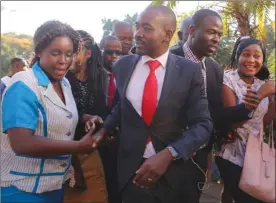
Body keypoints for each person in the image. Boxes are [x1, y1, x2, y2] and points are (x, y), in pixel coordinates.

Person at [88, 5, 213, 203]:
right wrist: (105, 128)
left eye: (147, 28)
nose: (137, 34)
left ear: (167, 34)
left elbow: (203, 125)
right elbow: (122, 106)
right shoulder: (123, 66)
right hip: (129, 172)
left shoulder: (189, 72)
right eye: (137, 27)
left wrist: (170, 154)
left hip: (171, 173)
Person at [0, 20, 102, 203]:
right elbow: (21, 143)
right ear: (39, 51)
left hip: (54, 185)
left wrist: (86, 118)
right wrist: (78, 147)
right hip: (21, 188)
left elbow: (61, 113)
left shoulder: (63, 83)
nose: (63, 61)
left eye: (69, 54)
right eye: (56, 53)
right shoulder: (23, 85)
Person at [170, 9, 262, 201]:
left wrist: (244, 110)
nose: (216, 39)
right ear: (192, 30)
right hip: (168, 153)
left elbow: (215, 113)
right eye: (211, 32)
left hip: (200, 156)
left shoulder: (213, 69)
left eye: (219, 34)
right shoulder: (169, 60)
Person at [216, 37, 275, 203]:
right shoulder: (227, 80)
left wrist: (274, 101)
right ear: (237, 57)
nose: (251, 60)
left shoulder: (262, 83)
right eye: (246, 54)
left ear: (262, 60)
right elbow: (232, 123)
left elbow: (266, 122)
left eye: (257, 56)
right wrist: (261, 94)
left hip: (256, 155)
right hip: (232, 153)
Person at [64, 30, 108, 203]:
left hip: (92, 152)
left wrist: (98, 125)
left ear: (89, 53)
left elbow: (108, 114)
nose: (70, 57)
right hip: (64, 152)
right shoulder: (61, 77)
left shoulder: (102, 79)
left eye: (76, 51)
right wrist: (82, 117)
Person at [99, 35, 122, 203]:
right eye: (109, 52)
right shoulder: (93, 76)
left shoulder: (126, 75)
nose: (114, 56)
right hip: (95, 136)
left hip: (119, 140)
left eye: (118, 52)